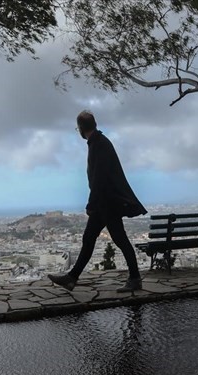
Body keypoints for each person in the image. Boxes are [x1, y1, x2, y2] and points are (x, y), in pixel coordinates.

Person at [48, 111, 147, 292]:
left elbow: (98, 178)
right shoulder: (99, 142)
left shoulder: (98, 144)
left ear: (80, 128)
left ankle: (135, 279)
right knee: (91, 238)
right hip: (105, 203)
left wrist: (91, 204)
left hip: (107, 203)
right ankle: (72, 278)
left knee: (119, 239)